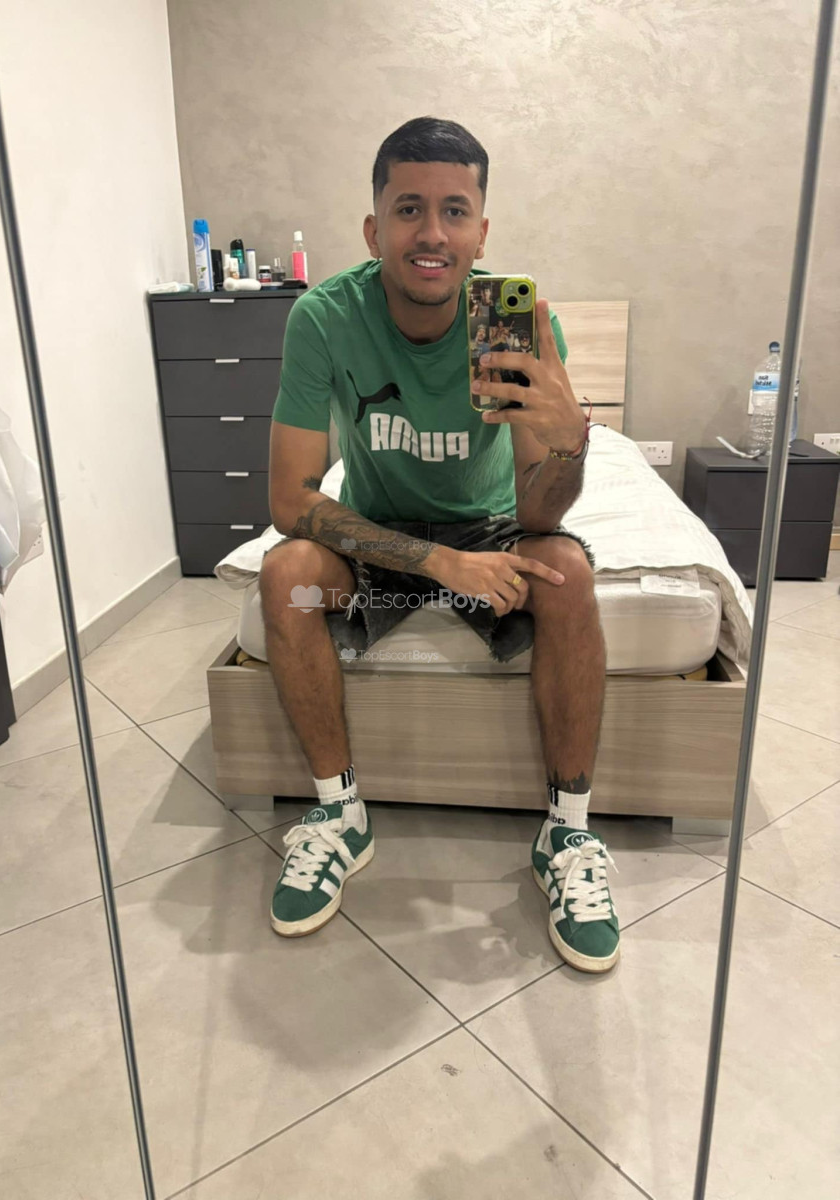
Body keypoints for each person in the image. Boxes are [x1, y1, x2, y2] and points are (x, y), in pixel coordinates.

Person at [260, 116, 618, 973]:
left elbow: (538, 514)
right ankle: (339, 814)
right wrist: (437, 563)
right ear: (373, 228)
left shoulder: (514, 324)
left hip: (492, 532)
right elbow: (289, 499)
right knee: (288, 577)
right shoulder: (324, 318)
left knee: (567, 572)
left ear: (481, 232)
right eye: (409, 209)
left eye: (454, 211)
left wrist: (570, 444)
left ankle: (567, 836)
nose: (432, 233)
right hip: (382, 543)